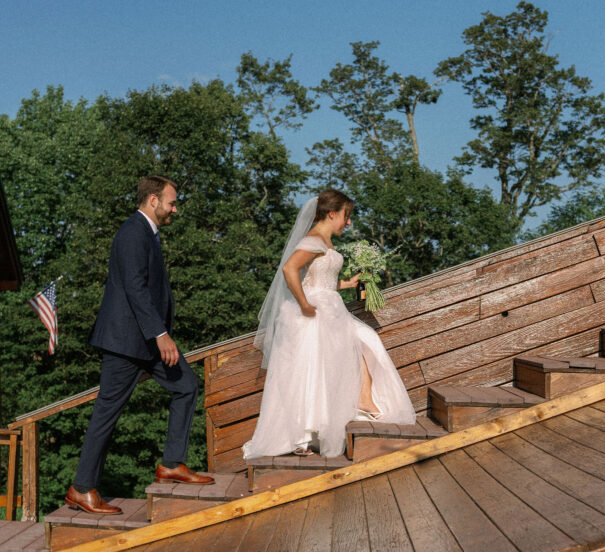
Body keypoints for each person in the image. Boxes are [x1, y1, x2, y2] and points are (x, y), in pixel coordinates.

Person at [65, 175, 213, 515]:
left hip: (146, 343)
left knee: (187, 386)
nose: (176, 208)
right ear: (152, 201)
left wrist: (157, 335)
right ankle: (82, 488)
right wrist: (160, 334)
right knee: (107, 414)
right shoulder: (133, 231)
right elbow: (134, 287)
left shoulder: (148, 233)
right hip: (126, 344)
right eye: (172, 202)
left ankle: (172, 464)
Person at [243, 190, 416, 459]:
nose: (348, 223)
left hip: (330, 306)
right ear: (332, 213)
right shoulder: (313, 239)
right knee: (311, 367)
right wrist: (303, 303)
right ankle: (306, 432)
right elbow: (289, 269)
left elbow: (318, 279)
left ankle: (361, 401)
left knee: (364, 340)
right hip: (315, 311)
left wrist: (347, 283)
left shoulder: (323, 240)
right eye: (347, 216)